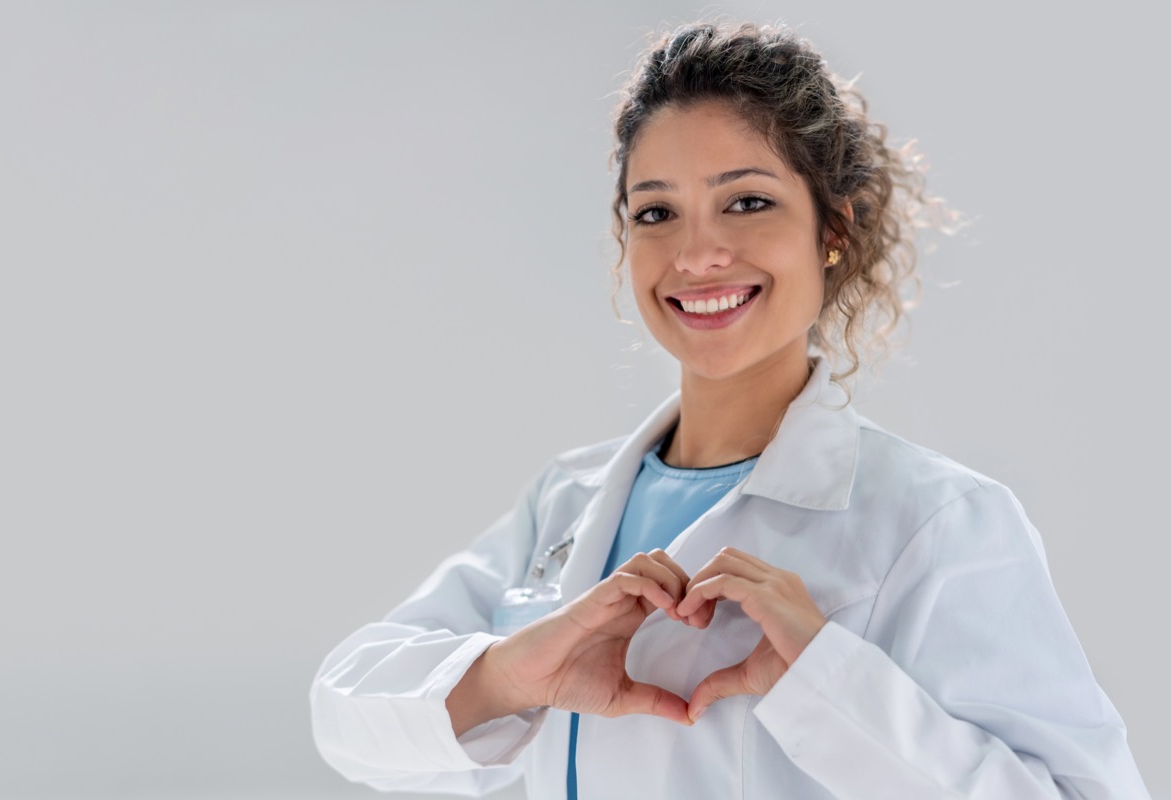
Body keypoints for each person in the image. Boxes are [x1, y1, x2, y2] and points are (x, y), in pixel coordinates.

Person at [310, 21, 1149, 800]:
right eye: (656, 213)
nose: (697, 254)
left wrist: (828, 684)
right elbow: (345, 715)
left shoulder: (939, 524)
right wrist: (503, 676)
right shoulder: (565, 502)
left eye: (747, 201)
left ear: (834, 231)